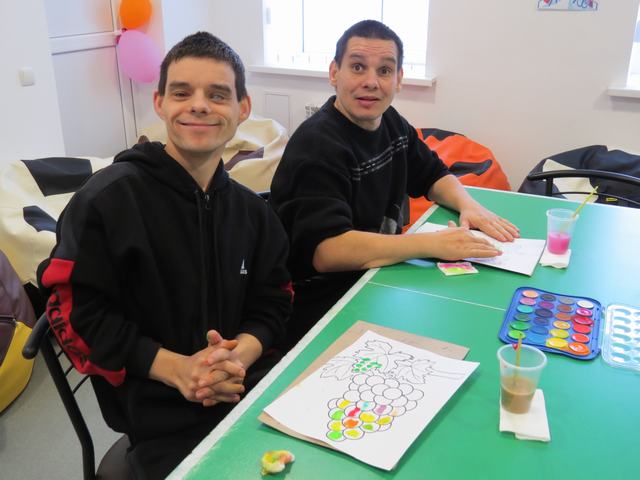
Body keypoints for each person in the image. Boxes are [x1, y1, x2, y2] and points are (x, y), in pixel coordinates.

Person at [38, 32, 292, 479]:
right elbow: (76, 314)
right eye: (182, 92)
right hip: (159, 418)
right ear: (159, 103)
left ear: (243, 108)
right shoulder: (107, 201)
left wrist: (238, 357)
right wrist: (178, 370)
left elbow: (274, 300)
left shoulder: (254, 213)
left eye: (218, 94)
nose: (199, 105)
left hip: (250, 389)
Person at [270, 20, 518, 349]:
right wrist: (431, 245)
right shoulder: (317, 146)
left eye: (384, 70)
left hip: (378, 280)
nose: (371, 82)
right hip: (322, 306)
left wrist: (469, 205)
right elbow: (328, 252)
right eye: (357, 67)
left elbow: (433, 174)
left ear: (398, 79)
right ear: (334, 73)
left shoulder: (390, 122)